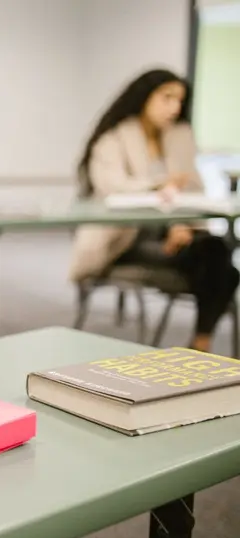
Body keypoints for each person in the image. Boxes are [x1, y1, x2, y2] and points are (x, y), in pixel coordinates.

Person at [71, 68, 239, 352]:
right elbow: (111, 188)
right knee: (222, 266)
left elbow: (191, 191)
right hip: (125, 238)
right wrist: (158, 185)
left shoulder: (179, 137)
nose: (174, 107)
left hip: (174, 234)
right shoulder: (114, 138)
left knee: (217, 255)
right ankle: (201, 345)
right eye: (167, 98)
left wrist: (181, 226)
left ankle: (200, 343)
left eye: (179, 100)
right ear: (144, 97)